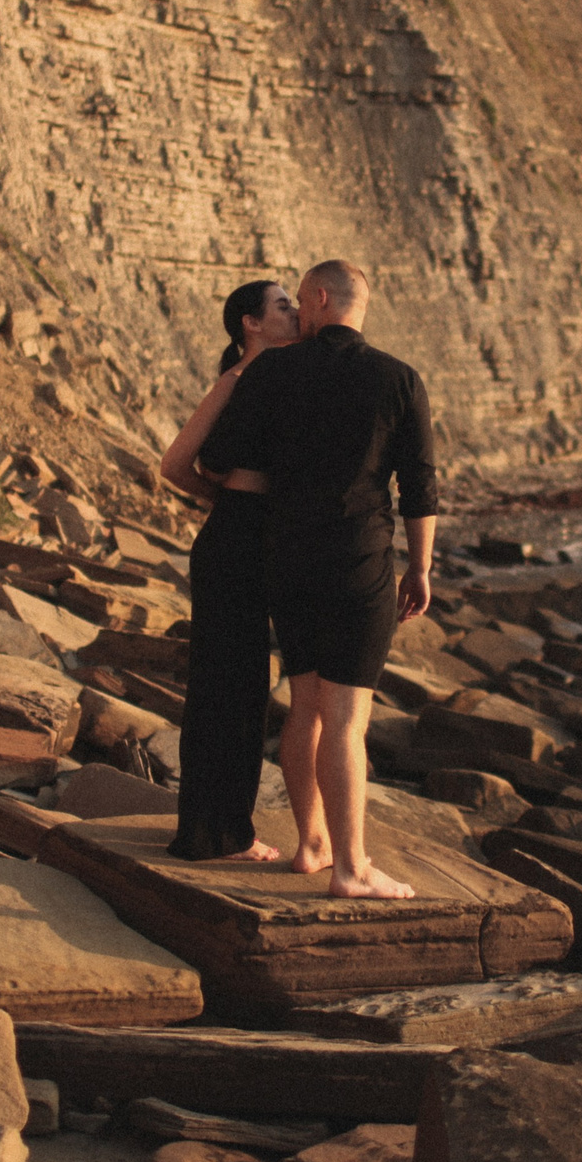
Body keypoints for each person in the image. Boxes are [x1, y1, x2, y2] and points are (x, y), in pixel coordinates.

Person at [198, 259, 437, 900]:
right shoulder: (399, 378)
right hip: (358, 564)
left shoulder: (271, 371)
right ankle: (352, 868)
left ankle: (310, 846)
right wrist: (420, 567)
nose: (298, 316)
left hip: (286, 561)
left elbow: (218, 459)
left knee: (305, 710)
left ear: (322, 298)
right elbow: (419, 487)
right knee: (348, 721)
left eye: (301, 304)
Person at [157, 279, 301, 861]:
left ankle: (219, 828)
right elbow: (174, 464)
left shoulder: (285, 381)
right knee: (229, 688)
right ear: (251, 323)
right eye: (282, 306)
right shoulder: (239, 380)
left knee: (244, 687)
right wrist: (230, 503)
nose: (294, 313)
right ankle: (217, 835)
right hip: (236, 541)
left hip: (257, 537)